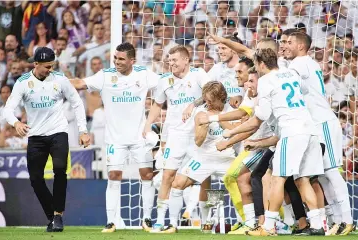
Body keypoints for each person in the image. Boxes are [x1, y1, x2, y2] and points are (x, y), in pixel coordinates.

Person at [224, 48, 325, 236]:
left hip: (291, 132)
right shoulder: (291, 73)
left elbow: (259, 117)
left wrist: (231, 132)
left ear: (262, 64)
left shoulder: (265, 81)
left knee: (276, 179)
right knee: (303, 180)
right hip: (310, 130)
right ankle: (318, 225)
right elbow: (304, 90)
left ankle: (268, 227)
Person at [70, 42, 159, 233]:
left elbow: (164, 85)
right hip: (115, 139)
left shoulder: (144, 74)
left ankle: (147, 219)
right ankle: (111, 221)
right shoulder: (105, 76)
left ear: (132, 61)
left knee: (147, 175)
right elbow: (80, 83)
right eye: (115, 58)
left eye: (121, 59)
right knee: (113, 176)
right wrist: (55, 81)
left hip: (140, 137)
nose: (116, 62)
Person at [3, 47, 89, 232]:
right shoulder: (23, 83)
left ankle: (58, 214)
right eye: (47, 66)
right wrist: (16, 123)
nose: (51, 69)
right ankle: (53, 216)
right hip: (35, 136)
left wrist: (83, 130)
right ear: (36, 64)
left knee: (60, 170)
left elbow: (76, 102)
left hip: (58, 132)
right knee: (35, 179)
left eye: (52, 65)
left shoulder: (60, 79)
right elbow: (7, 109)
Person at [285, 32, 355, 235]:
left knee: (331, 172)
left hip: (323, 122)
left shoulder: (298, 64)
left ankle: (348, 220)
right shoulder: (308, 63)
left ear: (301, 46)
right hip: (315, 125)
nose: (285, 46)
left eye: (289, 42)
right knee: (323, 175)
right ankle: (338, 220)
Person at [163, 81, 252, 233]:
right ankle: (172, 224)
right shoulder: (200, 113)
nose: (208, 103)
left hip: (227, 156)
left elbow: (239, 130)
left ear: (221, 97)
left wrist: (218, 118)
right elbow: (198, 141)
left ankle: (246, 222)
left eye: (211, 100)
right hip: (204, 157)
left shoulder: (233, 109)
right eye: (206, 100)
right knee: (178, 184)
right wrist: (204, 126)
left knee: (243, 185)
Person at [143, 45, 211, 232]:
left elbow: (212, 92)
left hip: (199, 135)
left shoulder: (198, 75)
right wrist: (148, 124)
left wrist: (193, 105)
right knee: (167, 176)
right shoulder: (164, 81)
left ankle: (206, 221)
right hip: (175, 135)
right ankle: (164, 221)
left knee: (204, 177)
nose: (171, 63)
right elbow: (157, 104)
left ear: (186, 60)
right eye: (169, 60)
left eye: (174, 60)